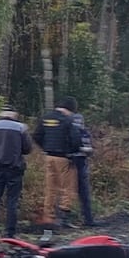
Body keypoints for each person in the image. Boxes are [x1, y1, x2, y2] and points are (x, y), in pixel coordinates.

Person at [0, 103, 31, 238]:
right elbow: (27, 149)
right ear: (14, 115)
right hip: (15, 169)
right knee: (12, 202)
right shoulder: (21, 128)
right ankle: (10, 233)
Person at [32, 97, 83, 227]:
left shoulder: (46, 118)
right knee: (68, 188)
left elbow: (36, 136)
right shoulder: (68, 120)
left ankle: (49, 217)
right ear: (70, 109)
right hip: (64, 158)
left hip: (49, 157)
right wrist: (72, 151)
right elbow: (76, 140)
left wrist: (45, 147)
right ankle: (64, 218)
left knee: (50, 188)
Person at [69, 107, 98, 227]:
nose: (79, 124)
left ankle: (87, 219)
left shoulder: (83, 132)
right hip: (73, 162)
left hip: (77, 161)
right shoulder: (73, 132)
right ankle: (83, 218)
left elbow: (89, 149)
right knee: (75, 191)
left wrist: (85, 149)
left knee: (81, 191)